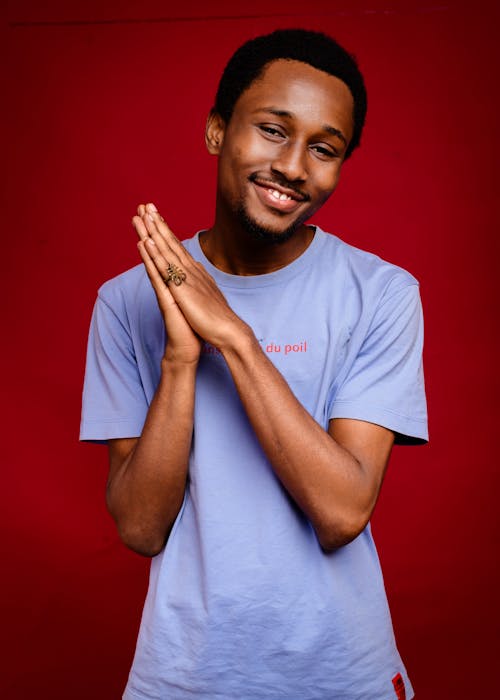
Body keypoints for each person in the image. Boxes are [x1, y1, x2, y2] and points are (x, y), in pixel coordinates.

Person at [81, 28, 427, 700]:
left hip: (342, 677)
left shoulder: (383, 293)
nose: (295, 166)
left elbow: (342, 510)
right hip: (182, 678)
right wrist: (181, 358)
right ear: (217, 131)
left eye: (324, 149)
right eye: (273, 130)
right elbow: (141, 528)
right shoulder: (127, 302)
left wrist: (233, 337)